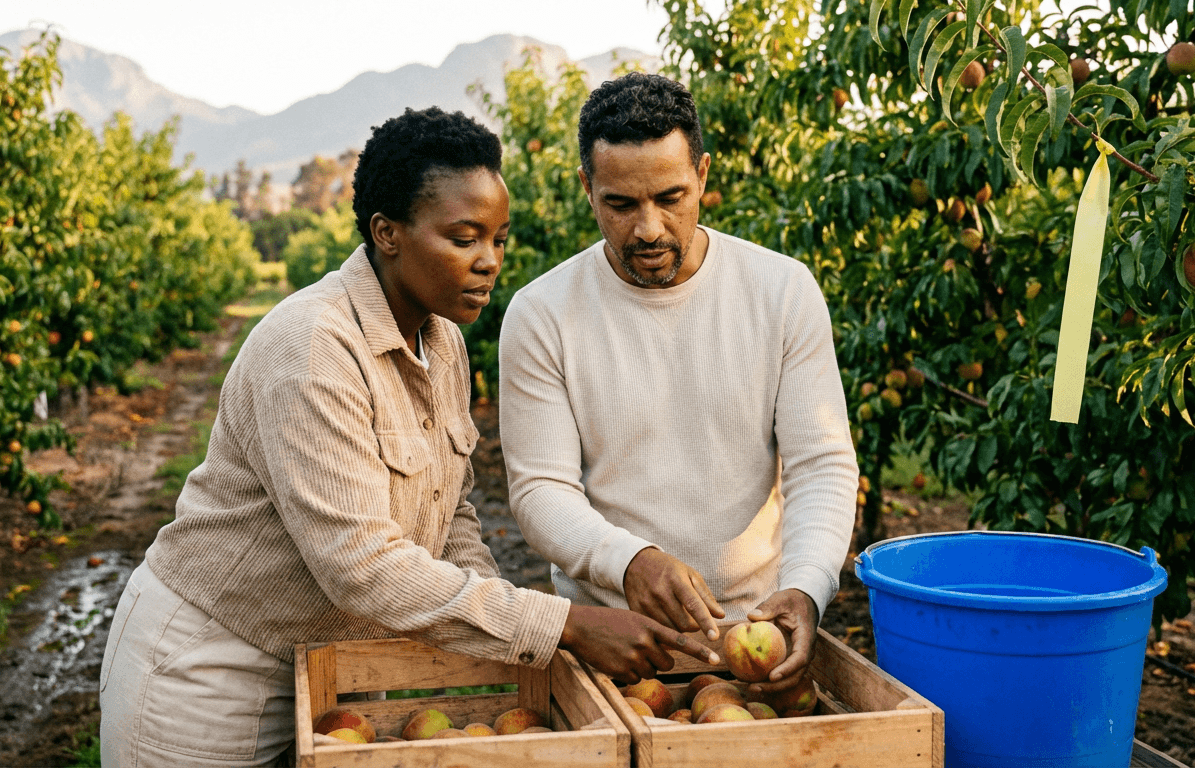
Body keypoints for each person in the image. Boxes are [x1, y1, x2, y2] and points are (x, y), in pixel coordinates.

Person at [99, 106, 717, 768]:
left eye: (499, 240)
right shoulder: (313, 351)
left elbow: (451, 518)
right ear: (387, 233)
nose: (489, 263)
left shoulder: (443, 340)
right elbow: (361, 566)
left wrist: (507, 643)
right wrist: (559, 624)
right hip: (211, 669)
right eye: (463, 238)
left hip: (335, 670)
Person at [498, 73, 859, 704]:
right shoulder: (542, 314)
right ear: (587, 188)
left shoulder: (781, 292)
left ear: (703, 176)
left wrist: (805, 587)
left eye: (671, 197)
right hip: (614, 648)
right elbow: (539, 489)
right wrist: (628, 561)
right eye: (620, 204)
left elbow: (821, 464)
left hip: (755, 640)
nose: (648, 228)